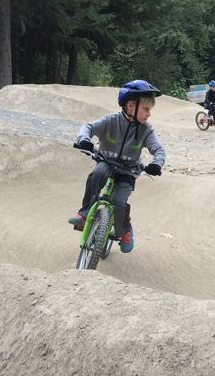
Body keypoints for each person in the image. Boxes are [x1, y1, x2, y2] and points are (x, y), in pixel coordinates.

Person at [68, 79, 166, 253]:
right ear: (130, 106)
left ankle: (125, 230)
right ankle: (84, 212)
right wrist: (84, 139)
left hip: (129, 170)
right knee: (98, 173)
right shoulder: (111, 121)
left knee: (119, 201)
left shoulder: (146, 130)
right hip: (106, 162)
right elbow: (88, 127)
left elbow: (159, 149)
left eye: (150, 110)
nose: (149, 114)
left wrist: (156, 164)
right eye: (146, 109)